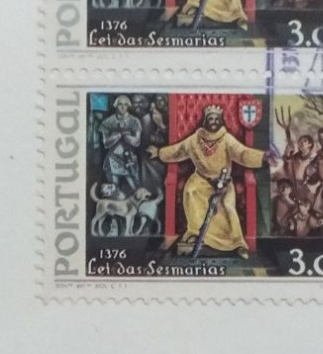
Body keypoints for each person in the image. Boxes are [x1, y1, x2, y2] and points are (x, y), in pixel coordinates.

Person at [147, 104, 274, 257]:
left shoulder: (226, 139)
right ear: (205, 121)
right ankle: (195, 233)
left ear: (221, 121)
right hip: (201, 179)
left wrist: (262, 157)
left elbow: (242, 153)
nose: (213, 121)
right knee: (190, 190)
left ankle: (237, 244)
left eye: (216, 119)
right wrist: (159, 152)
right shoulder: (195, 139)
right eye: (211, 118)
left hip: (223, 182)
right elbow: (178, 150)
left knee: (227, 205)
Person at [99, 95, 143, 198]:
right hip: (113, 158)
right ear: (116, 105)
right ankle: (115, 206)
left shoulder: (135, 121)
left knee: (134, 187)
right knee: (114, 187)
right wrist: (117, 136)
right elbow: (105, 143)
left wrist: (127, 137)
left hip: (129, 159)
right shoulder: (108, 122)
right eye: (120, 104)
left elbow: (137, 142)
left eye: (125, 104)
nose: (123, 107)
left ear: (128, 106)